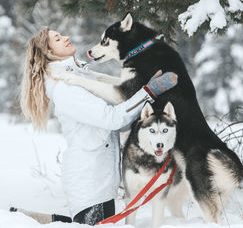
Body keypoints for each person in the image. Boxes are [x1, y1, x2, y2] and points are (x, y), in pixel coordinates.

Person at [18, 28, 178, 225]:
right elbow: (112, 119)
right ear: (48, 52)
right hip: (90, 184)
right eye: (58, 39)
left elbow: (117, 124)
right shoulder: (66, 88)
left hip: (101, 180)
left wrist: (145, 100)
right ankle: (30, 221)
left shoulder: (79, 78)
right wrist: (148, 92)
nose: (66, 37)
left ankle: (40, 221)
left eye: (62, 34)